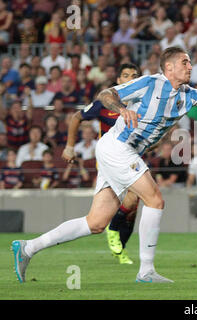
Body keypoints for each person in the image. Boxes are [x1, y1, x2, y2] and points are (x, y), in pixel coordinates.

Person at [12, 46, 197, 284]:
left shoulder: (189, 95)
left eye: (189, 61)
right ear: (169, 67)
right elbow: (105, 94)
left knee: (96, 223)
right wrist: (121, 108)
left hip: (122, 152)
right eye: (184, 62)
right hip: (117, 147)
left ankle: (28, 247)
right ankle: (146, 271)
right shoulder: (150, 83)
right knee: (155, 199)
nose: (190, 65)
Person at [62, 63, 141, 265]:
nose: (130, 79)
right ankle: (113, 228)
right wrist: (70, 147)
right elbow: (76, 117)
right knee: (133, 198)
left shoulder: (143, 102)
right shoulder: (106, 102)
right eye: (125, 75)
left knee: (132, 209)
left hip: (131, 156)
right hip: (110, 160)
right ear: (118, 81)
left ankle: (120, 248)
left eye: (134, 75)